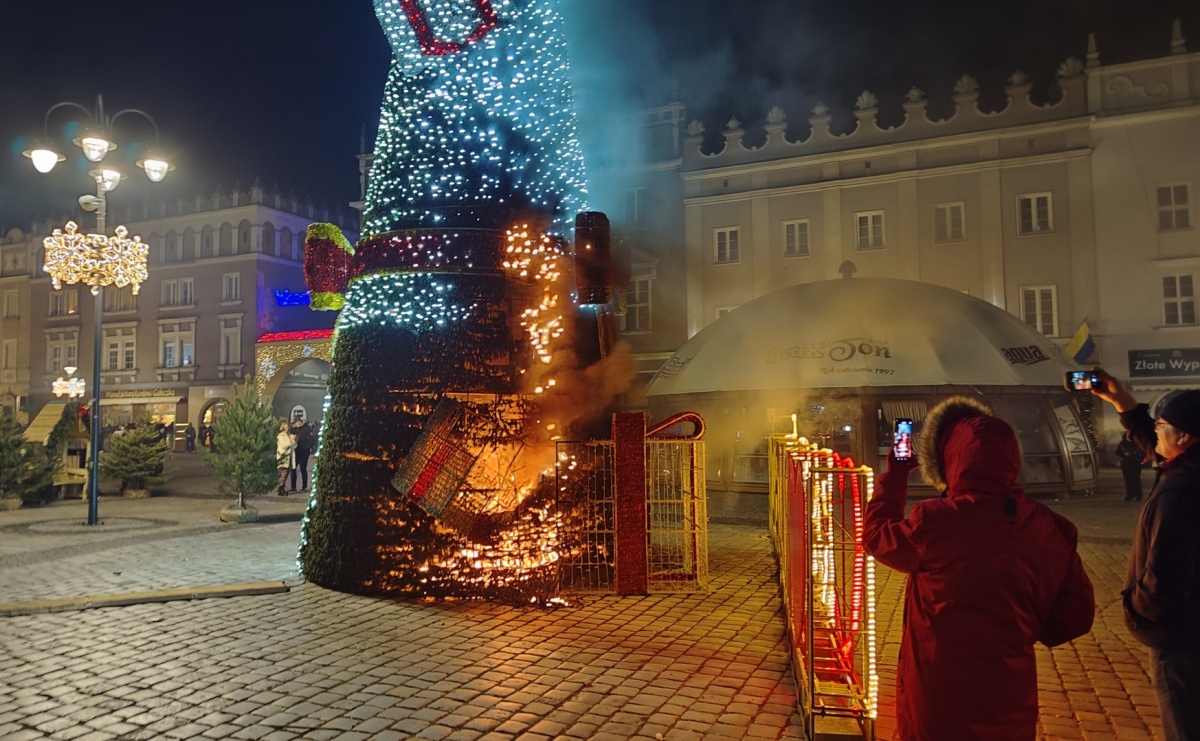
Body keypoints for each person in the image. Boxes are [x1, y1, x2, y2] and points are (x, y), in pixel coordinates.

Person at [863, 396, 1095, 741]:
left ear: (950, 461)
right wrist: (1021, 628)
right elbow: (1076, 614)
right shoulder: (1048, 526)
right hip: (1008, 691)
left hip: (939, 692)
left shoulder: (936, 521)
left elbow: (877, 535)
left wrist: (895, 475)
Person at [1090, 369, 1200, 740]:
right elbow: (1154, 443)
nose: (1154, 430)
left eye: (1162, 425)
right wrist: (1121, 401)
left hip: (1181, 640)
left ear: (1184, 438)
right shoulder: (1188, 468)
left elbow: (1163, 578)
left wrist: (1137, 609)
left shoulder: (1178, 495)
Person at [1116, 434, 1145, 502]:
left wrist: (1137, 457)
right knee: (1127, 480)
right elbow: (1118, 451)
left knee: (1136, 480)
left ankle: (1138, 495)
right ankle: (1129, 495)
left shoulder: (1137, 443)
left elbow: (1142, 452)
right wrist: (1124, 453)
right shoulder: (1122, 443)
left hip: (1135, 463)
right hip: (1126, 464)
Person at [289, 417, 315, 492]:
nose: (298, 423)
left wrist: (306, 448)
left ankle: (304, 486)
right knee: (293, 469)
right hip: (295, 452)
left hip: (304, 453)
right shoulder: (293, 430)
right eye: (296, 422)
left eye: (299, 421)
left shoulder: (307, 429)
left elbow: (312, 441)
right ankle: (293, 486)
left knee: (303, 469)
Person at [275, 420, 296, 496]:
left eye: (287, 427)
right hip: (283, 456)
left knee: (287, 472)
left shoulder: (289, 435)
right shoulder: (281, 436)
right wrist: (290, 440)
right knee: (284, 472)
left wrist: (294, 441)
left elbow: (293, 446)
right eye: (285, 427)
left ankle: (281, 487)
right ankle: (281, 487)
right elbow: (284, 445)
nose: (287, 429)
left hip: (289, 456)